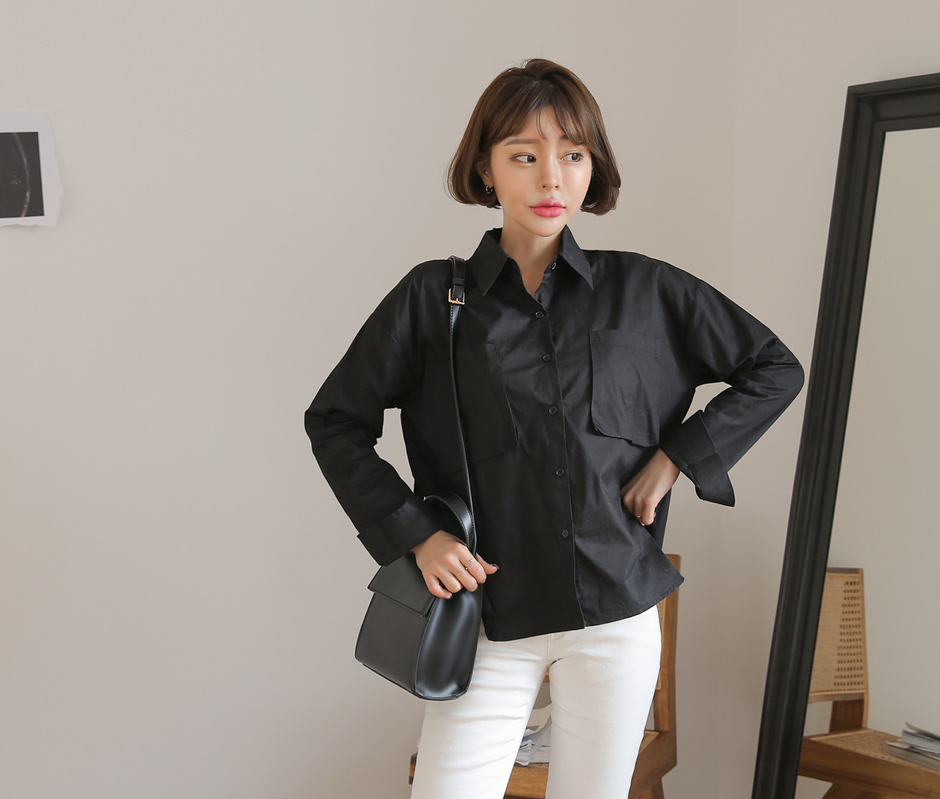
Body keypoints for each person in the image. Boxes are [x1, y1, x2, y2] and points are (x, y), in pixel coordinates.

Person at [304, 58, 803, 799]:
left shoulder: (645, 290)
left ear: (592, 167)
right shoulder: (432, 299)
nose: (551, 178)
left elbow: (775, 367)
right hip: (488, 617)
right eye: (524, 156)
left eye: (572, 155)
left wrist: (676, 455)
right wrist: (417, 534)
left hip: (615, 613)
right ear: (486, 168)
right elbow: (335, 421)